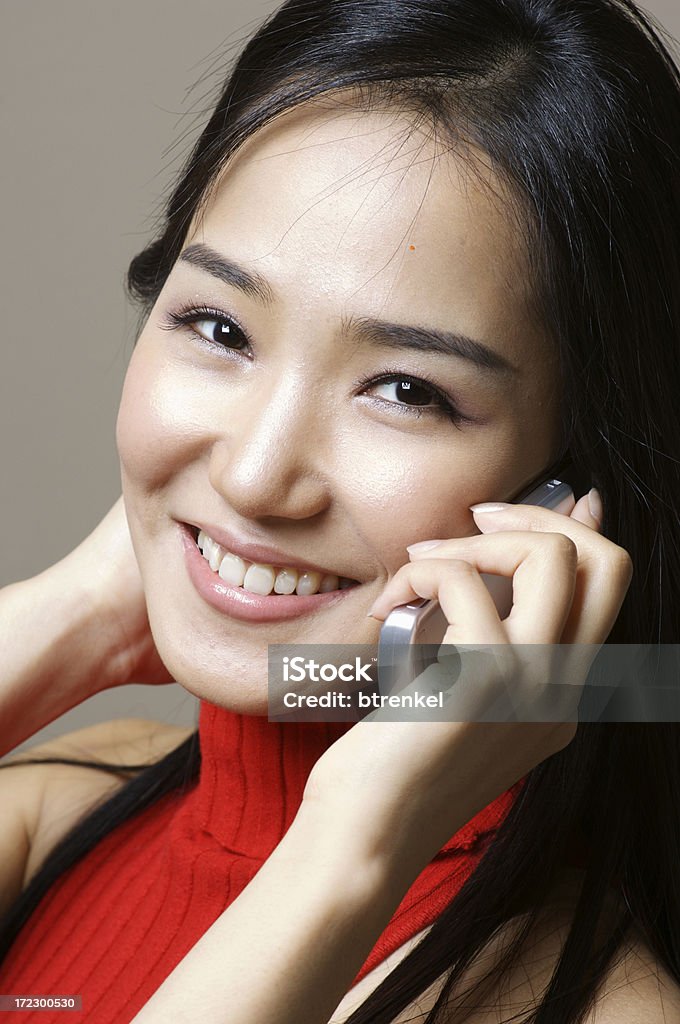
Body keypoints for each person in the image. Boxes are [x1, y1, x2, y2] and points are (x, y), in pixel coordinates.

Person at [1, 0, 680, 1021]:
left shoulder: (593, 1001)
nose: (256, 477)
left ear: (562, 500)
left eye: (406, 390)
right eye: (217, 324)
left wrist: (358, 837)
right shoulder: (60, 812)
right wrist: (79, 622)